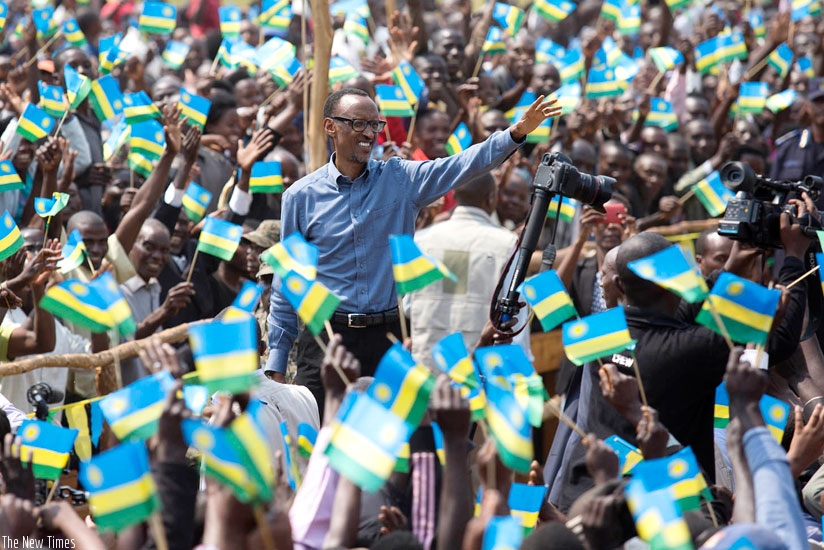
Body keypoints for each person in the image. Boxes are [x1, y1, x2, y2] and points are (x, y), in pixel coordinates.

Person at [267, 87, 559, 412]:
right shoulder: (301, 196)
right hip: (326, 342)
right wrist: (277, 362)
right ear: (330, 126)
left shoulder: (400, 178)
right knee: (319, 445)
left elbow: (464, 164)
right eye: (358, 124)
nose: (368, 133)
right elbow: (286, 282)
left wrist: (516, 133)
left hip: (388, 341)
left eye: (374, 125)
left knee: (389, 451)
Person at [409, 173, 517, 368]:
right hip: (478, 373)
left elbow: (408, 307)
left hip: (426, 370)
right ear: (491, 198)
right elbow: (514, 323)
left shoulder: (421, 240)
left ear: (455, 195)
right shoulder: (507, 244)